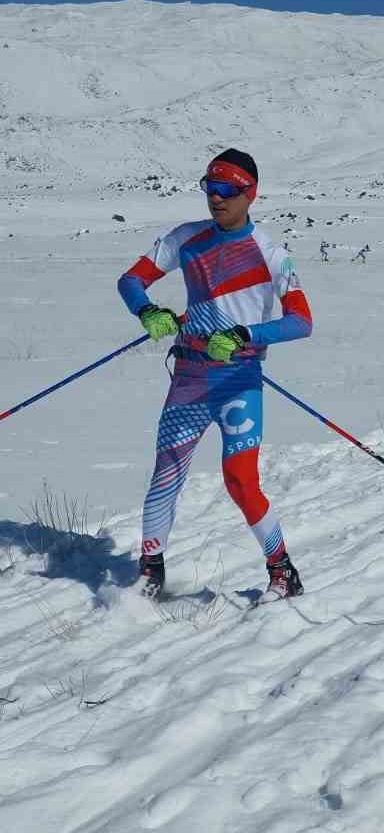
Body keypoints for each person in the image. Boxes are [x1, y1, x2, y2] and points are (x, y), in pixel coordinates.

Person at [117, 149, 313, 601]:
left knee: (240, 479)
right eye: (210, 187)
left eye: (228, 190)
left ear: (251, 194)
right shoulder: (187, 239)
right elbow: (130, 281)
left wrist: (247, 333)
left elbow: (301, 321)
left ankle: (282, 569)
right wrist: (147, 310)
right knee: (167, 471)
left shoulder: (271, 254)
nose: (217, 198)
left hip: (238, 380)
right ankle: (151, 568)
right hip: (189, 376)